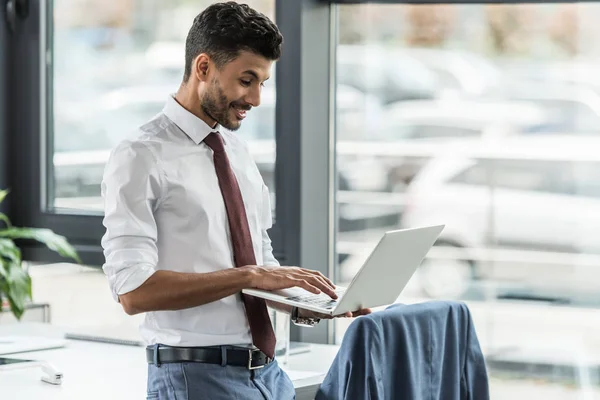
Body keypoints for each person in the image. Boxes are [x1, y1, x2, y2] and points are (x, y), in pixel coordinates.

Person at [100, 2, 370, 399]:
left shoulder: (236, 153)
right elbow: (133, 291)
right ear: (204, 67)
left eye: (263, 82)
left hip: (269, 376)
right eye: (247, 80)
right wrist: (247, 276)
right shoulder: (141, 155)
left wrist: (307, 303)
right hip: (194, 376)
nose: (257, 98)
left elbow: (259, 260)